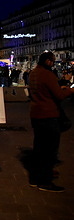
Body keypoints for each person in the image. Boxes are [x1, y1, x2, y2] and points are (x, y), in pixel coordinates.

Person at [28, 52, 74, 192]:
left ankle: (35, 178)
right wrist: (71, 90)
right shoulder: (47, 74)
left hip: (36, 114)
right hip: (48, 115)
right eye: (53, 61)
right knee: (49, 150)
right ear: (48, 61)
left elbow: (43, 91)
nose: (53, 63)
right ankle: (45, 181)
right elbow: (59, 96)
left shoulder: (33, 73)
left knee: (39, 148)